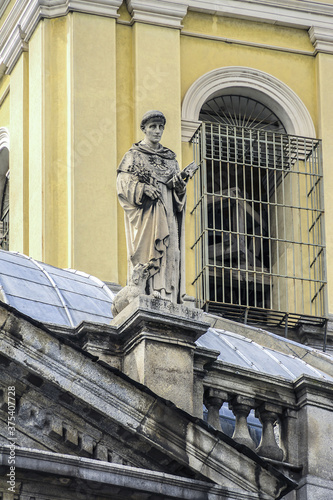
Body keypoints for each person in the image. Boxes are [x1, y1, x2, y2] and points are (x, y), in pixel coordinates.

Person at [116, 110, 188, 303]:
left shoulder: (170, 159)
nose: (157, 131)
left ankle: (167, 294)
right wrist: (143, 189)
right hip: (147, 214)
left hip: (168, 213)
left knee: (170, 250)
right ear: (144, 129)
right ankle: (146, 290)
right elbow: (123, 184)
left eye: (160, 127)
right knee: (149, 251)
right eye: (152, 127)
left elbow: (178, 194)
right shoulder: (134, 156)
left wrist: (179, 188)